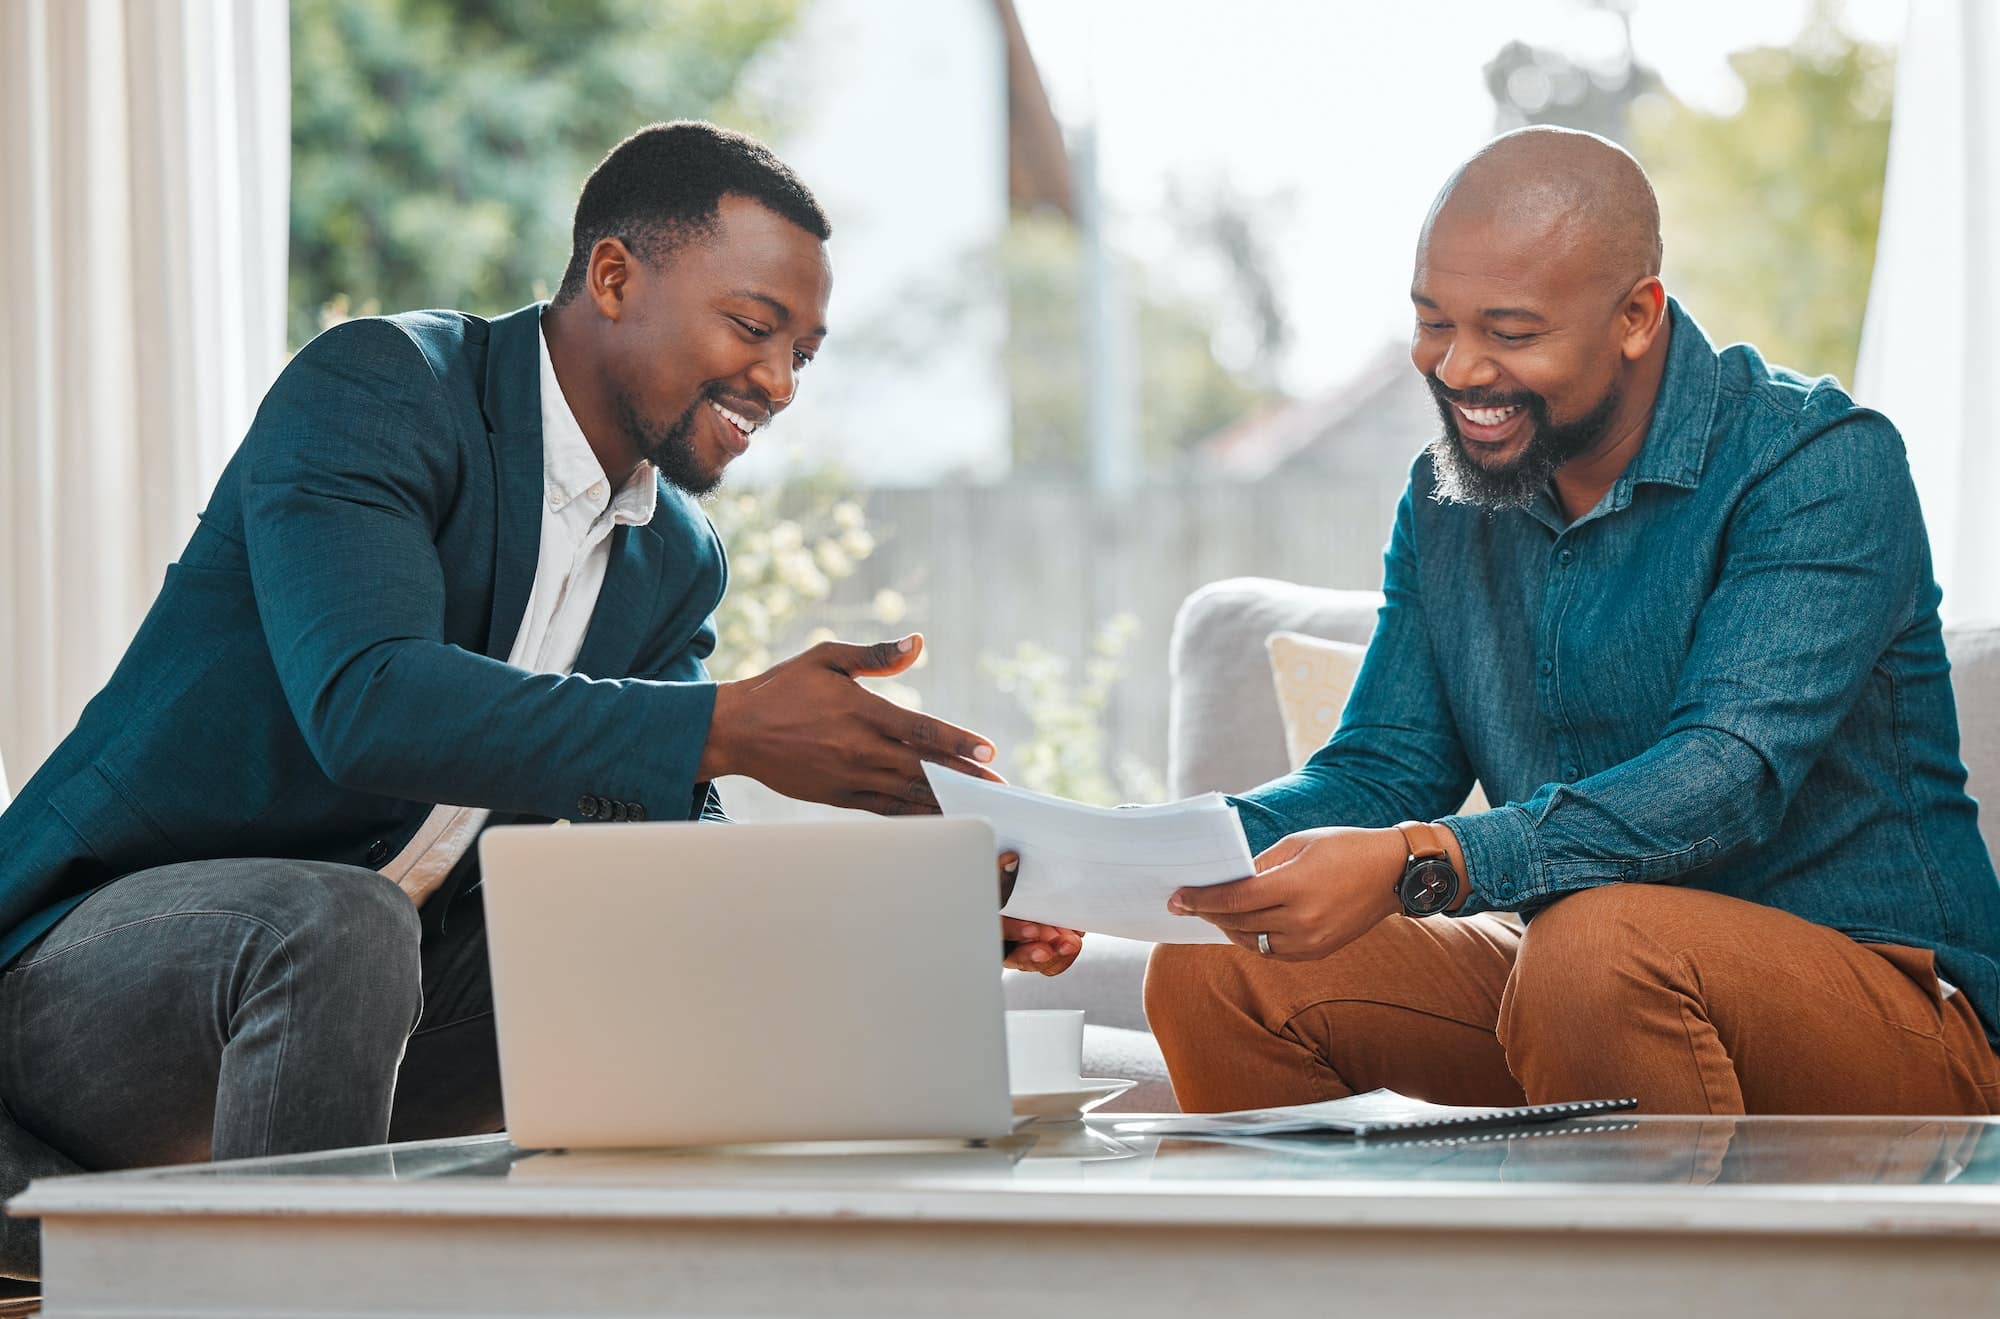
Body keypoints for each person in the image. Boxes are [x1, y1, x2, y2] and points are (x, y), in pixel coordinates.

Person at [0, 121, 1079, 1277]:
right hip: (82, 988)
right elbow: (367, 701)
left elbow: (662, 862)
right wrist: (727, 726)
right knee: (346, 922)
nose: (775, 381)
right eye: (754, 327)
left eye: (803, 354)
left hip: (368, 1006)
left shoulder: (673, 554)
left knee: (644, 960)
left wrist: (910, 924)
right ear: (613, 276)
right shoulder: (381, 388)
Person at [1146, 126, 2000, 1118]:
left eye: (1509, 334)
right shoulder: (1444, 499)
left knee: (1595, 949)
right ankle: (1348, 1279)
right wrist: (1138, 860)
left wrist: (1432, 857)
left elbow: (1723, 778)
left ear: (1636, 315)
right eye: (1432, 321)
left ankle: (1629, 1281)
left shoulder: (1814, 463)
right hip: (1577, 986)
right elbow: (1379, 770)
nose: (1457, 369)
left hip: (1890, 1006)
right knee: (1215, 966)